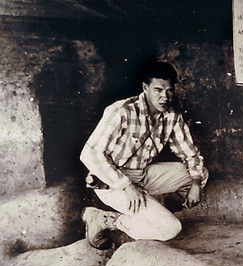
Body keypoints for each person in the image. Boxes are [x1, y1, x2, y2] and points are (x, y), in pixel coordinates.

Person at [80, 60, 208, 249]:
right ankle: (105, 220)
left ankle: (150, 210)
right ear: (145, 88)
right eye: (158, 90)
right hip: (113, 182)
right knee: (171, 228)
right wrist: (127, 187)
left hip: (143, 175)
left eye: (169, 90)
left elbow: (190, 154)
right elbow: (89, 154)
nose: (165, 96)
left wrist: (196, 184)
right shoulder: (122, 111)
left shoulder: (172, 116)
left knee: (200, 173)